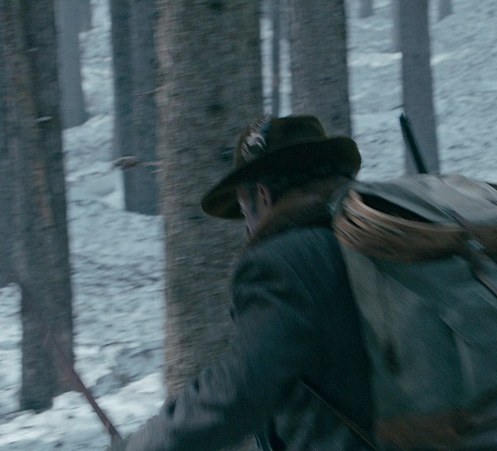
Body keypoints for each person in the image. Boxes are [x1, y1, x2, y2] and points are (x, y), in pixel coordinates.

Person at [113, 115, 374, 450]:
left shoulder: (282, 264)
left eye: (243, 210)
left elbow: (240, 389)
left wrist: (144, 445)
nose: (249, 230)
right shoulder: (380, 240)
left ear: (262, 196)